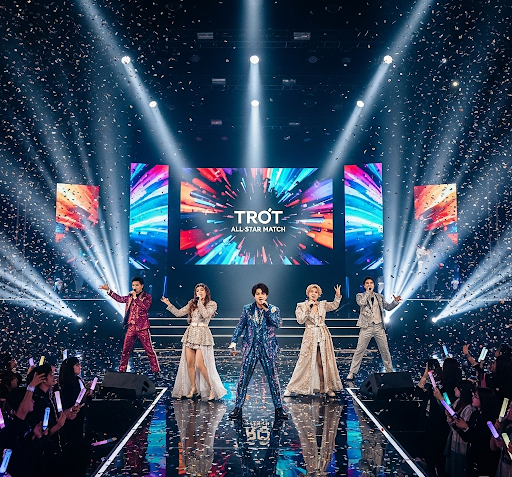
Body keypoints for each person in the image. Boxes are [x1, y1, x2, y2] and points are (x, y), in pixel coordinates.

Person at [228, 283, 289, 421]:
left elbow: (277, 323)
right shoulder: (247, 309)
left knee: (273, 379)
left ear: (266, 295)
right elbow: (240, 325)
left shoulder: (273, 309)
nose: (260, 296)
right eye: (257, 294)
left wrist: (267, 310)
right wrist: (234, 341)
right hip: (251, 348)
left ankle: (279, 408)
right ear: (254, 296)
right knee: (243, 378)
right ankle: (237, 408)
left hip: (267, 348)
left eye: (262, 293)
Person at [161, 283, 226, 401]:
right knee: (189, 363)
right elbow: (179, 313)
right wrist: (168, 304)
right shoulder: (192, 303)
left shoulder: (212, 304)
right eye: (197, 291)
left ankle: (211, 388)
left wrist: (200, 302)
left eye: (201, 290)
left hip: (202, 334)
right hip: (191, 334)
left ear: (206, 292)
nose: (199, 292)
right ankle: (193, 388)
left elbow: (205, 314)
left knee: (200, 364)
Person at [284, 284, 342, 397]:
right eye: (311, 292)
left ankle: (326, 388)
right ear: (308, 293)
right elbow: (300, 320)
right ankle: (290, 388)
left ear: (319, 294)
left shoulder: (323, 304)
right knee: (303, 363)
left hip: (322, 335)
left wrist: (337, 296)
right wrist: (308, 308)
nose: (313, 294)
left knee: (323, 363)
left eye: (316, 292)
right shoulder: (301, 306)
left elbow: (334, 306)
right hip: (310, 336)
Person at [99, 277, 160, 375]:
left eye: (137, 285)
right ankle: (122, 370)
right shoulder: (130, 296)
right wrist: (109, 290)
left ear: (142, 286)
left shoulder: (147, 297)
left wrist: (136, 298)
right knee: (125, 349)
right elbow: (120, 299)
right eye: (133, 285)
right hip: (131, 326)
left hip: (142, 327)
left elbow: (145, 308)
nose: (134, 287)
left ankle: (156, 370)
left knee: (149, 349)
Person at [346, 276, 401, 380]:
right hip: (366, 327)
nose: (369, 284)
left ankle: (389, 371)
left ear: (374, 285)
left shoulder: (379, 296)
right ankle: (352, 372)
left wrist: (395, 302)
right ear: (364, 285)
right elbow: (361, 303)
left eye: (371, 283)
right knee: (359, 350)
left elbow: (388, 307)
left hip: (378, 326)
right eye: (367, 283)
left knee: (385, 350)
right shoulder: (360, 296)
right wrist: (367, 292)